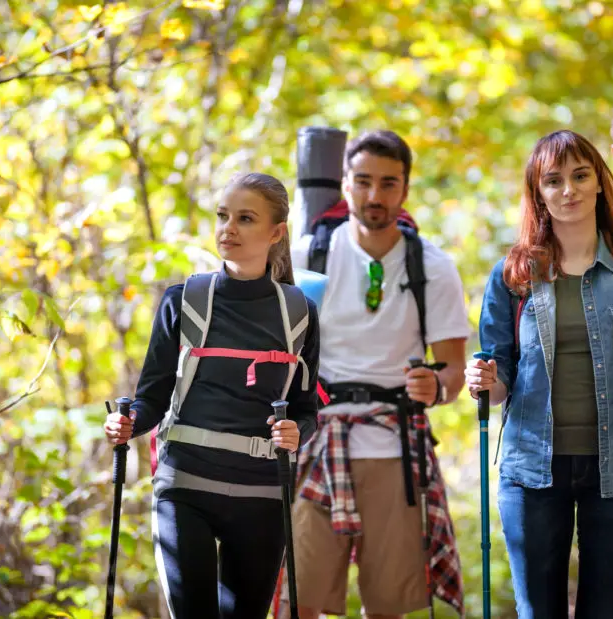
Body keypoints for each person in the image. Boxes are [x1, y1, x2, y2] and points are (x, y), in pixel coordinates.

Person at [465, 129, 613, 619]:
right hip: (532, 471)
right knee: (537, 612)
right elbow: (499, 387)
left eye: (580, 176)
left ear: (601, 182)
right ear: (537, 192)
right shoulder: (512, 275)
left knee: (606, 610)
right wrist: (484, 379)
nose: (569, 190)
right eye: (553, 180)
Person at [102, 172, 320, 618]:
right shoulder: (182, 300)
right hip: (185, 488)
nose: (228, 229)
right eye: (223, 216)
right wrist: (127, 423)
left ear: (276, 232)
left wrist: (298, 431)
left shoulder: (299, 312)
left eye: (245, 218)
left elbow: (306, 410)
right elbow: (152, 397)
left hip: (261, 493)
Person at [289, 130, 470, 619]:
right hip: (315, 444)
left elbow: (453, 369)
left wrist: (437, 386)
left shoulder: (431, 266)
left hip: (396, 450)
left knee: (387, 605)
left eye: (388, 184)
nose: (375, 196)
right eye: (363, 181)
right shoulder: (309, 256)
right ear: (344, 184)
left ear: (405, 189)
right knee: (296, 600)